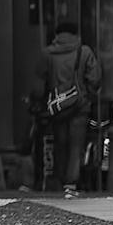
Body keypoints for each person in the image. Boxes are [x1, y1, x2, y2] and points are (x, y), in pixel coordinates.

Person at [40, 17, 102, 196]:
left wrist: (43, 101)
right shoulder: (84, 52)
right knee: (76, 144)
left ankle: (60, 179)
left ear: (57, 34)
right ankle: (71, 183)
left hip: (57, 106)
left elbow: (38, 83)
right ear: (76, 34)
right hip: (79, 105)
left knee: (60, 142)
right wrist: (87, 94)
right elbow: (94, 78)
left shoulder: (48, 54)